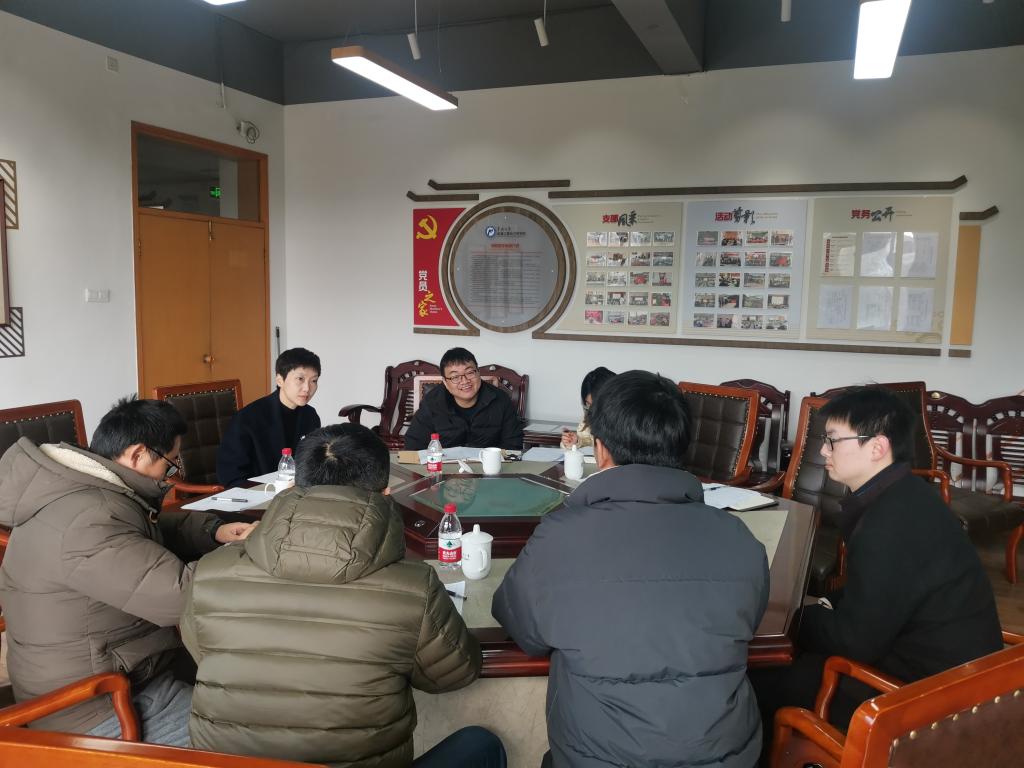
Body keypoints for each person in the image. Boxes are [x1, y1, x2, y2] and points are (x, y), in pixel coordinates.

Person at [183, 423, 506, 768]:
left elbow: (201, 651)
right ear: (386, 493)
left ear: (293, 484)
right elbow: (455, 673)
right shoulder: (413, 589)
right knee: (482, 744)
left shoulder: (210, 573)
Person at [493, 370, 769, 768]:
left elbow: (523, 630)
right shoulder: (738, 536)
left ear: (601, 449)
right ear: (680, 446)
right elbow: (746, 623)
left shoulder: (559, 536)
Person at [751, 386, 1003, 740]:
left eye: (833, 440)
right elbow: (873, 593)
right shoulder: (906, 495)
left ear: (877, 447)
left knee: (756, 675)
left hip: (926, 698)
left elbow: (853, 643)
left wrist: (796, 616)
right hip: (948, 669)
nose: (823, 450)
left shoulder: (888, 524)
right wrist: (818, 607)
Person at [0, 397, 254, 745]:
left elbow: (144, 530)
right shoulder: (87, 520)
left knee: (248, 690)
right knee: (256, 737)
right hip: (96, 705)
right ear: (137, 455)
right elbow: (181, 597)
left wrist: (214, 532)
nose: (172, 475)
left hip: (122, 670)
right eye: (170, 464)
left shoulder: (88, 493)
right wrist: (248, 554)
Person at [216, 347, 321, 487]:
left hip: (296, 492)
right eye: (300, 379)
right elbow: (231, 474)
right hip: (255, 492)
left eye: (313, 381)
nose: (307, 388)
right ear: (280, 380)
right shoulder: (248, 418)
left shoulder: (310, 416)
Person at [404, 347, 523, 451]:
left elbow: (513, 445)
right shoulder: (431, 403)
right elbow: (414, 446)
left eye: (470, 373)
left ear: (478, 373)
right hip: (444, 466)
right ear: (445, 382)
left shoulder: (500, 400)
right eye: (455, 377)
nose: (465, 381)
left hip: (487, 466)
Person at [559, 366, 615, 449]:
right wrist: (577, 441)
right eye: (589, 404)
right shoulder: (589, 414)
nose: (592, 410)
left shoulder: (627, 419)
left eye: (596, 404)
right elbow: (590, 440)